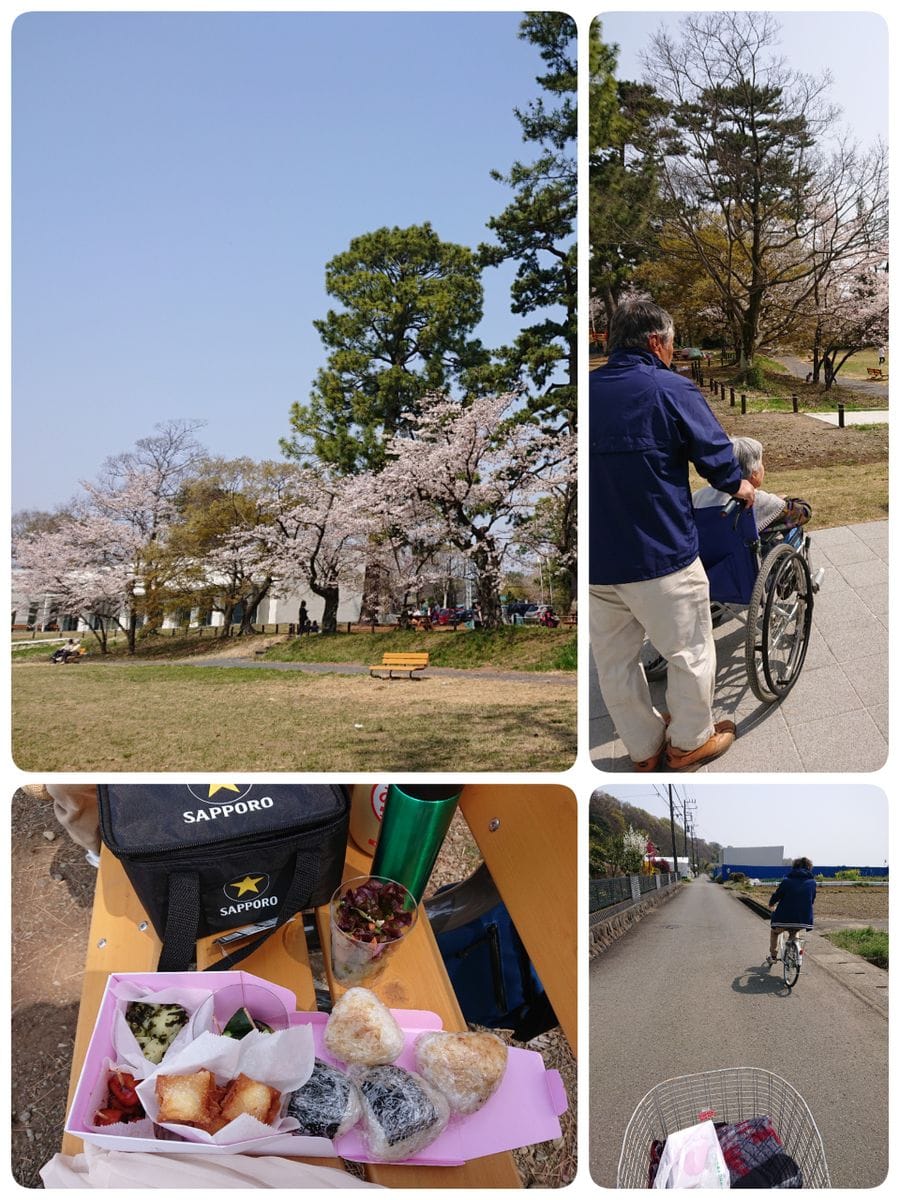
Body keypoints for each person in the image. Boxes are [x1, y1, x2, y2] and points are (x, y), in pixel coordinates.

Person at [589, 299, 756, 772]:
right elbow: (716, 456)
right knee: (690, 651)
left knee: (616, 662)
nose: (674, 349)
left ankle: (643, 749)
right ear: (657, 342)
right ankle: (688, 742)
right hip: (660, 554)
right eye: (673, 341)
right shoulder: (670, 387)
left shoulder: (585, 392)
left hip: (600, 562)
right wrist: (740, 487)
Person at [693, 436, 812, 539]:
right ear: (754, 473)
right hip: (746, 560)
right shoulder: (758, 500)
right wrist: (785, 499)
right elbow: (804, 512)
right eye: (761, 463)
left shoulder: (697, 497)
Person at [766, 857, 816, 964]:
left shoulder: (787, 881)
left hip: (783, 918)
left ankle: (773, 957)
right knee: (795, 930)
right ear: (809, 868)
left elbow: (777, 896)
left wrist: (771, 904)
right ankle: (795, 949)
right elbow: (812, 900)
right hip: (803, 919)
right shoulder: (812, 882)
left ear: (794, 867)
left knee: (774, 932)